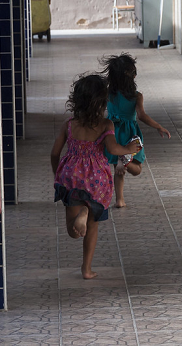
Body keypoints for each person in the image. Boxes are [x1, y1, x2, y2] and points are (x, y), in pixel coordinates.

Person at [51, 74, 141, 279]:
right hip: (97, 180)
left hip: (71, 178)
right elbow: (113, 148)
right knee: (92, 226)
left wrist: (58, 176)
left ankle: (81, 211)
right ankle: (87, 269)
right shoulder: (105, 125)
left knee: (72, 232)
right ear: (102, 102)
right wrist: (127, 148)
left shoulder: (69, 125)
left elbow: (55, 153)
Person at [100, 53, 171, 208]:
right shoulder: (136, 96)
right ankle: (125, 160)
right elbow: (142, 116)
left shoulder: (108, 93)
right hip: (130, 134)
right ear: (132, 76)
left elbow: (100, 110)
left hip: (112, 132)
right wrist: (159, 126)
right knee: (137, 169)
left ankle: (120, 200)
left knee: (117, 169)